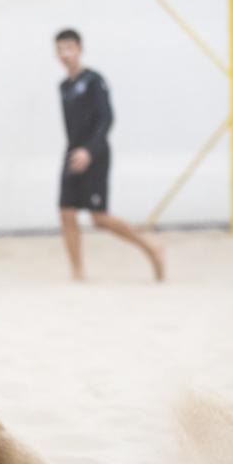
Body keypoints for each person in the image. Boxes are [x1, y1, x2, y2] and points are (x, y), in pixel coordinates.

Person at [54, 28, 165, 282]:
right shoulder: (63, 86)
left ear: (79, 49)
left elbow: (107, 119)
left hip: (95, 153)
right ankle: (78, 273)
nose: (65, 54)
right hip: (72, 152)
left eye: (69, 48)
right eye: (60, 49)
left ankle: (150, 246)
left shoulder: (94, 81)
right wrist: (75, 150)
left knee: (99, 218)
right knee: (66, 213)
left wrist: (89, 151)